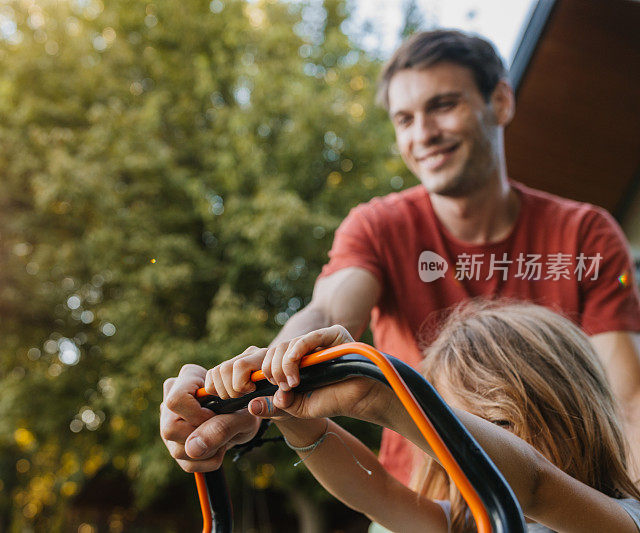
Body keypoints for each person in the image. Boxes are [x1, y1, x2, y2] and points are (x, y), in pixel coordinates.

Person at [160, 29, 640, 485]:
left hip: (561, 497)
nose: (424, 133)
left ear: (500, 101)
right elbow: (327, 312)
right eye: (405, 119)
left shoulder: (585, 233)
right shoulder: (379, 225)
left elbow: (627, 399)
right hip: (417, 498)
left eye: (443, 105)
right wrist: (253, 390)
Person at [203, 302, 640, 532]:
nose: (462, 445)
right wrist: (292, 415)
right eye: (460, 423)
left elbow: (533, 484)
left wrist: (385, 399)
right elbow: (377, 494)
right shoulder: (465, 524)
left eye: (497, 427)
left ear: (573, 412)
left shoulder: (621, 518)